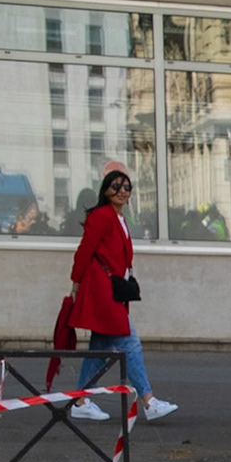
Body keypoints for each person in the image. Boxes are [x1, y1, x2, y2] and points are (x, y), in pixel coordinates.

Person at [67, 170, 176, 424]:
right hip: (102, 292)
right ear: (106, 189)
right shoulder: (102, 216)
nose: (123, 190)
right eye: (117, 185)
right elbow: (85, 250)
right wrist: (76, 282)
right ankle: (148, 401)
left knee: (100, 349)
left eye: (127, 187)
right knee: (130, 342)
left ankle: (80, 401)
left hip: (112, 290)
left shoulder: (119, 218)